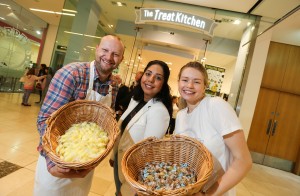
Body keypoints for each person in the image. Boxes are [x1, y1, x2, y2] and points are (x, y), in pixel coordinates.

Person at [34, 35, 125, 195]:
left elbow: (104, 123)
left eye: (115, 54)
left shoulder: (113, 86)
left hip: (84, 166)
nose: (109, 57)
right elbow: (44, 120)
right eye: (105, 50)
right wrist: (52, 164)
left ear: (121, 59)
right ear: (97, 49)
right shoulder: (72, 74)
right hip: (57, 163)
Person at [174, 61, 252, 196]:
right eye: (185, 80)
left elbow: (243, 161)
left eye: (197, 82)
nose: (189, 85)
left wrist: (207, 194)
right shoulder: (181, 115)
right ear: (179, 82)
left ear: (205, 86)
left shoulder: (216, 106)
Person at [110, 60, 173, 196]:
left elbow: (147, 155)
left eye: (158, 78)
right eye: (148, 74)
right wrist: (113, 154)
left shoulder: (159, 111)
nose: (150, 80)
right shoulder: (136, 100)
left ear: (163, 84)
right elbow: (122, 128)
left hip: (132, 174)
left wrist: (132, 188)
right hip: (119, 160)